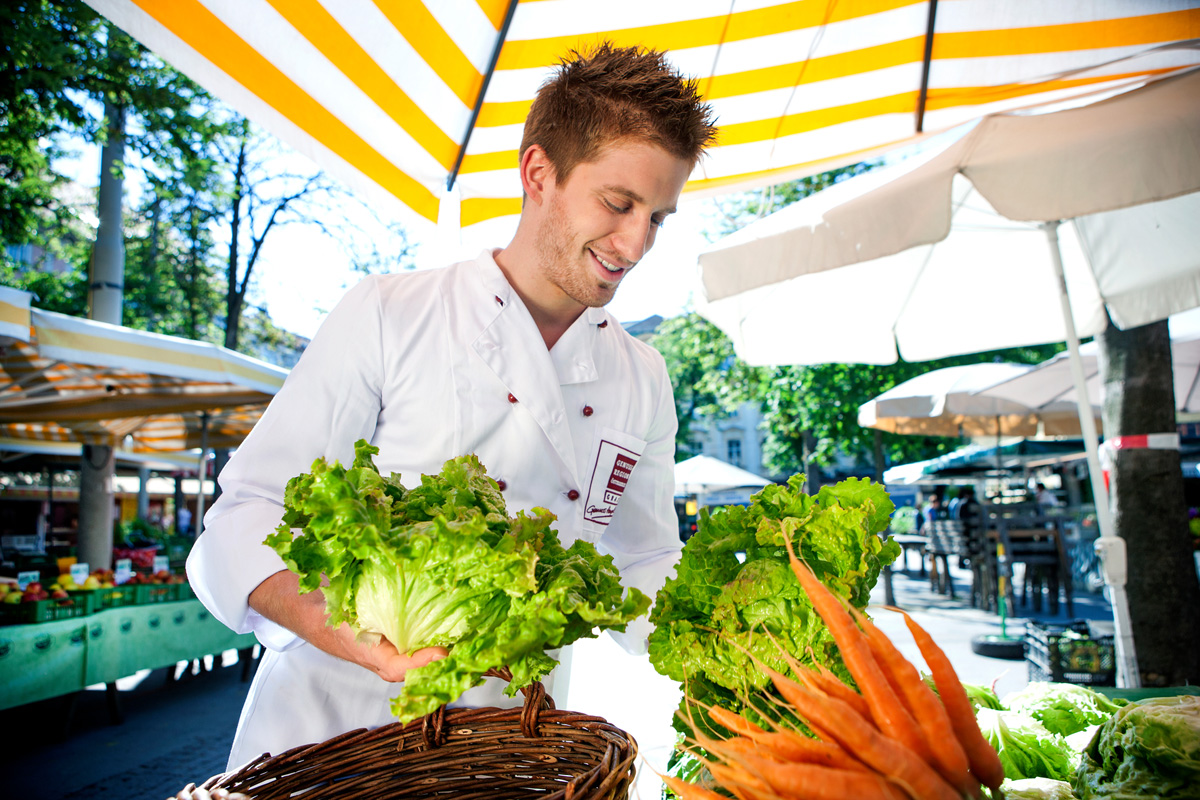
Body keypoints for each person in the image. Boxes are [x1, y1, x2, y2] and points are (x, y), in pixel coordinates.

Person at [187, 43, 717, 769]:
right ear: (538, 173)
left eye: (658, 217)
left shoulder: (642, 375)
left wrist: (732, 642)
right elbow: (243, 517)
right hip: (326, 743)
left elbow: (644, 556)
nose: (635, 244)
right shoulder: (389, 313)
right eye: (618, 204)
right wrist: (350, 635)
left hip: (508, 754)